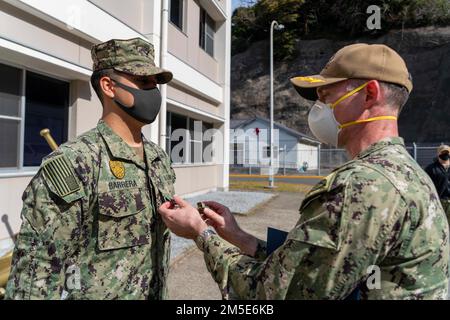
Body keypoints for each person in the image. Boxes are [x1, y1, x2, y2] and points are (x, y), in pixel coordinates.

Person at [159, 43, 449, 300]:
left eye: (326, 95)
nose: (319, 108)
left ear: (369, 93)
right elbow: (320, 265)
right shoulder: (407, 172)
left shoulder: (362, 185)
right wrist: (238, 236)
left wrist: (200, 233)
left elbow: (269, 293)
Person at [6, 38, 176, 300]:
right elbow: (36, 274)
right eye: (143, 82)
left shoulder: (158, 159)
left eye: (155, 83)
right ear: (109, 86)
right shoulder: (75, 163)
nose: (153, 92)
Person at [425, 145, 450, 223]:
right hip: (438, 202)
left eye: (447, 152)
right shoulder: (431, 168)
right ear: (438, 154)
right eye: (443, 152)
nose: (445, 154)